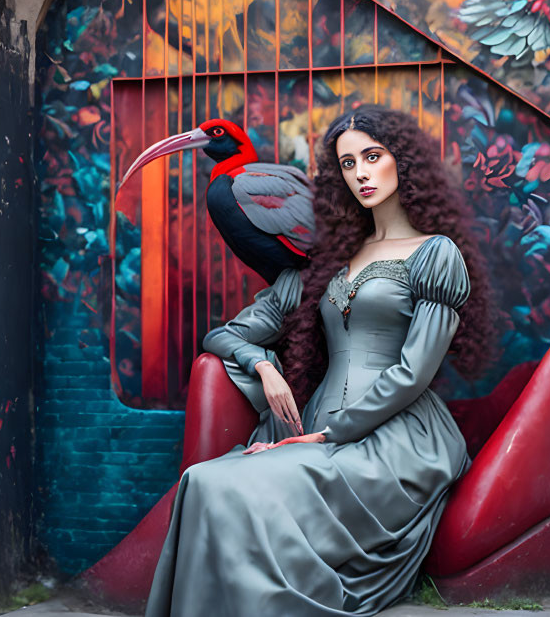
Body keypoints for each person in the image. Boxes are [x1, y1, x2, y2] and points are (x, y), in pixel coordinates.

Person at [145, 105, 493, 616]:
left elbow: (414, 373)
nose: (361, 173)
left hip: (396, 443)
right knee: (202, 482)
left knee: (225, 487)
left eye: (373, 156)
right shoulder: (323, 264)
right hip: (316, 431)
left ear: (405, 163)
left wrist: (330, 434)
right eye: (348, 163)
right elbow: (225, 335)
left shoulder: (434, 254)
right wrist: (264, 367)